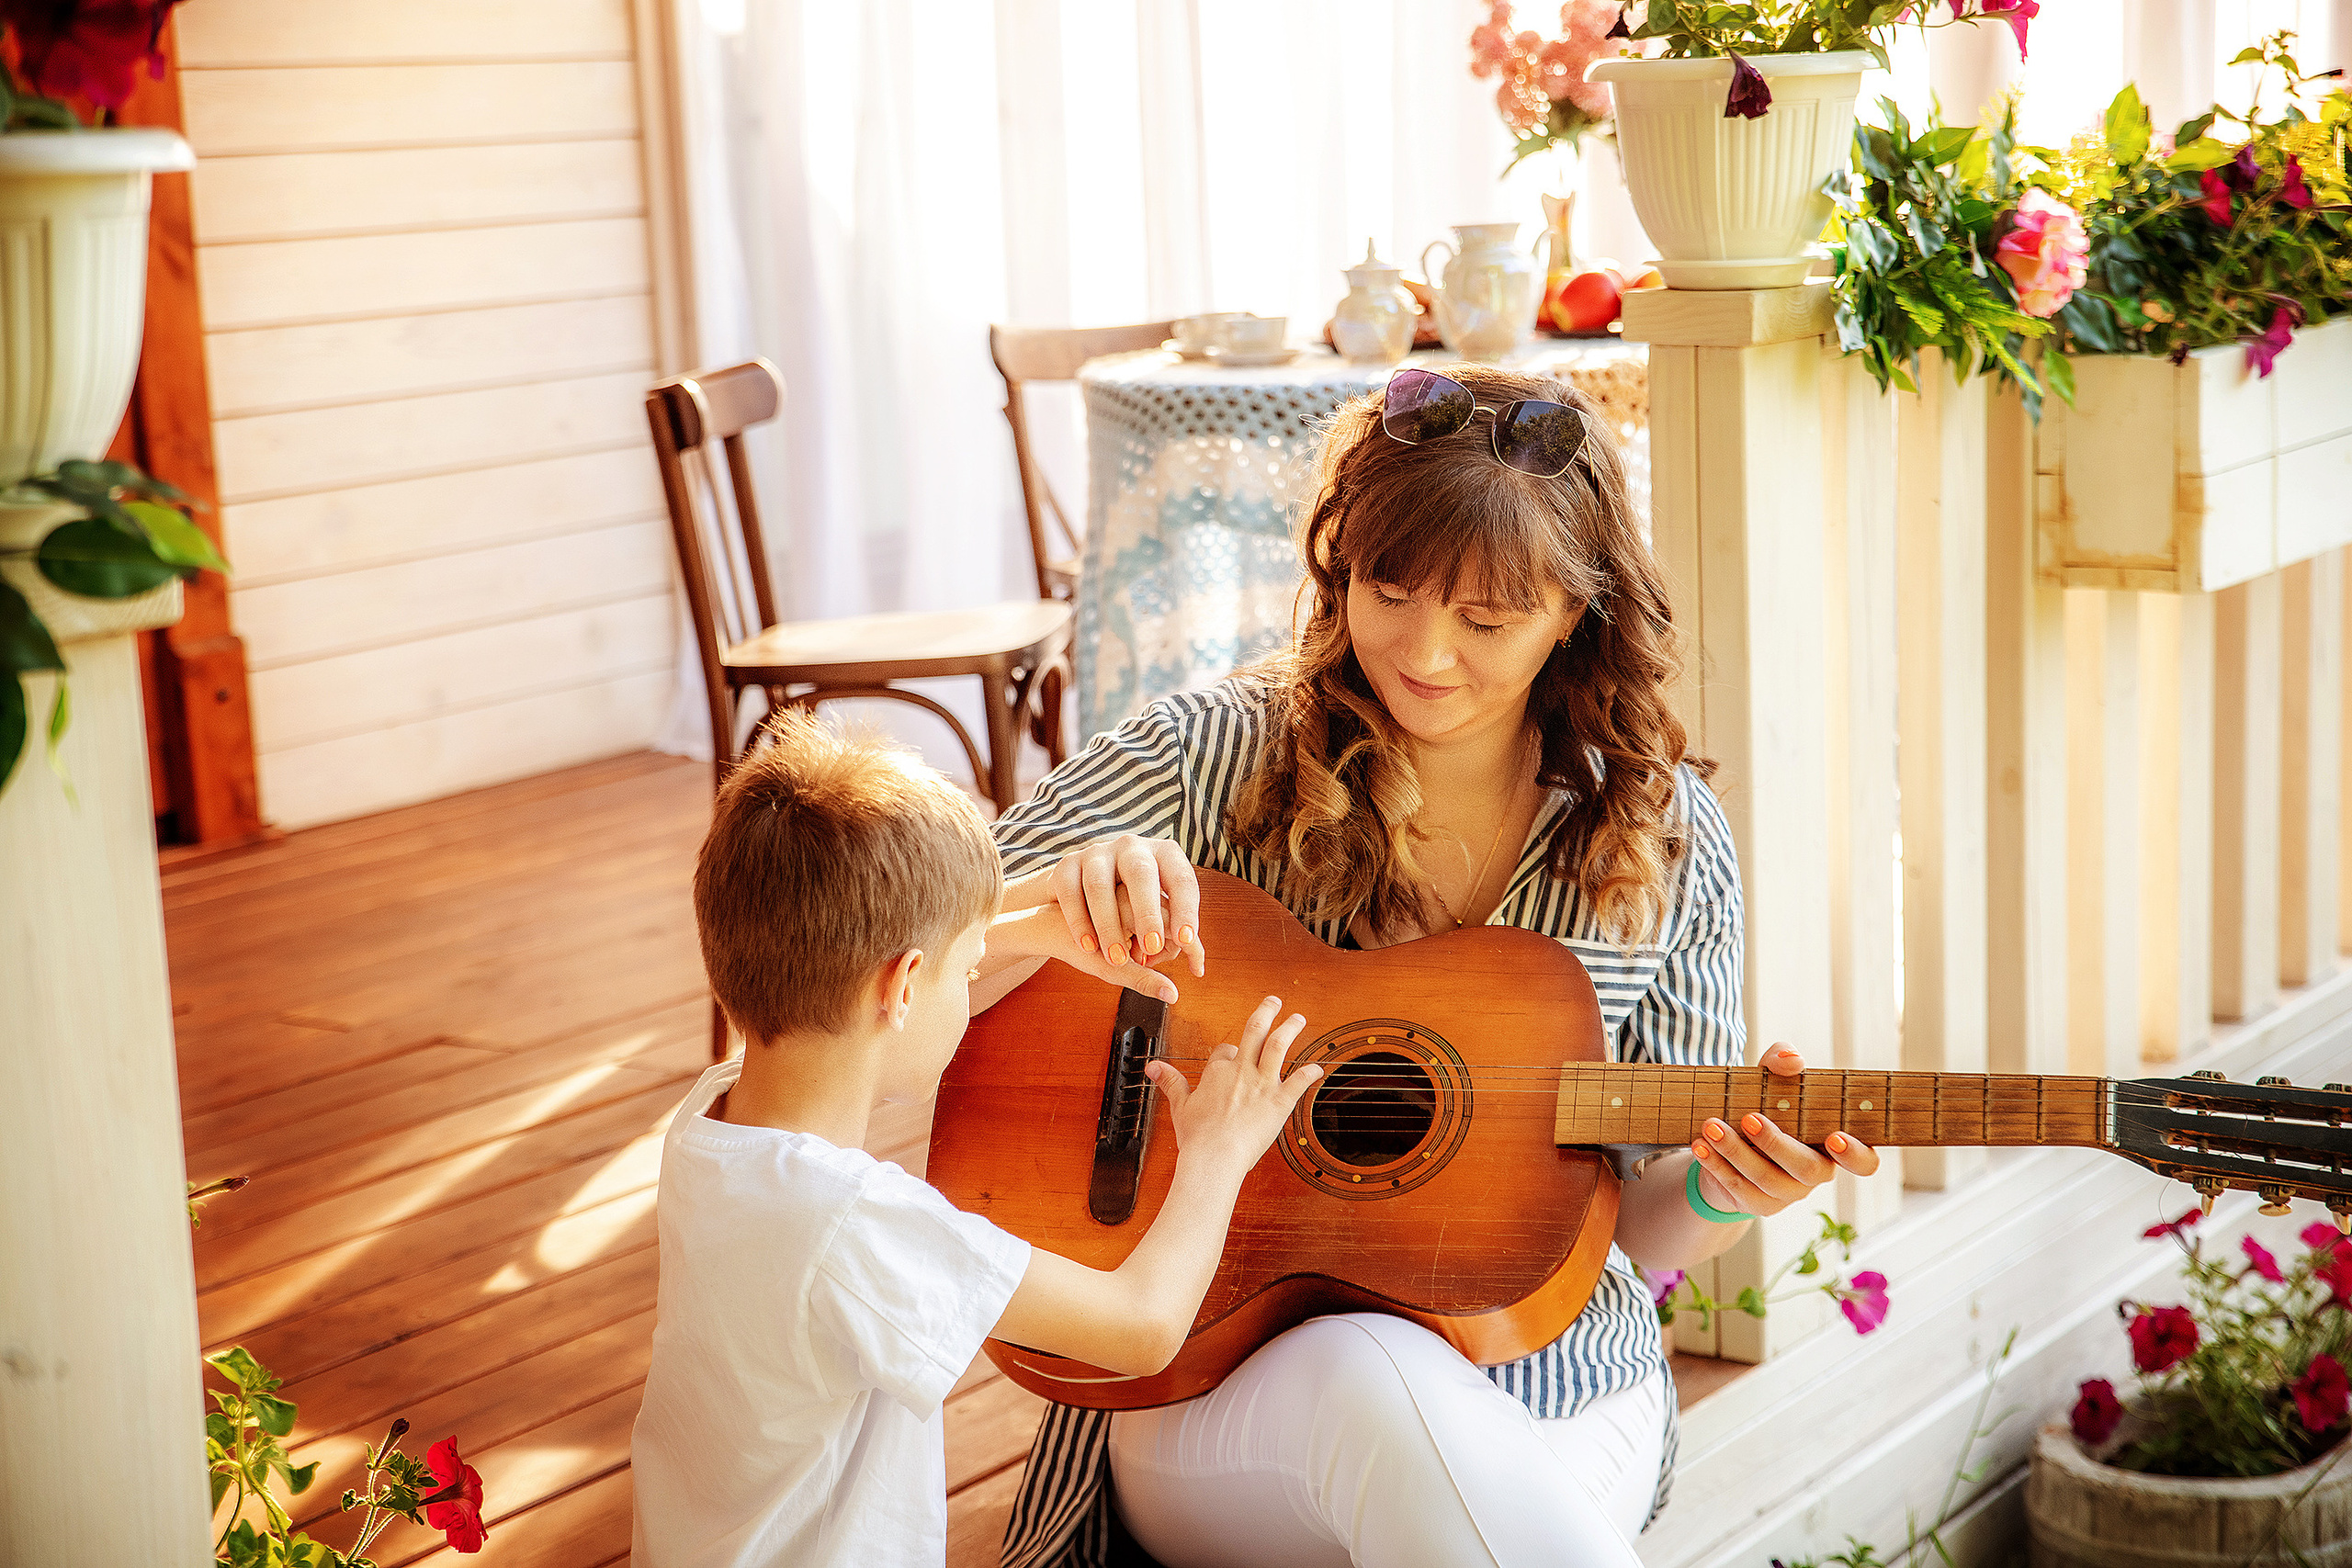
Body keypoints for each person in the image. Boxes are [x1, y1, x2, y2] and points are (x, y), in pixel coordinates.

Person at [965, 366, 1883, 1568]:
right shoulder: (1210, 751)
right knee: (1368, 1375)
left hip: (1556, 1386)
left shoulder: (1660, 840)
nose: (1425, 650)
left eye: (1488, 619)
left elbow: (1638, 1224)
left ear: (1577, 612)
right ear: (1338, 562)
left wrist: (1724, 1190)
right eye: (1387, 589)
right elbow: (892, 935)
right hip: (1207, 1374)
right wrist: (1045, 906)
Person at [628, 713, 1324, 1568]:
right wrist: (1219, 1149)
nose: (977, 980)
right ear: (907, 984)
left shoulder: (713, 1122)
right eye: (967, 969)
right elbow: (1141, 1328)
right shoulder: (858, 1226)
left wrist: (1030, 931)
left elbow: (883, 973)